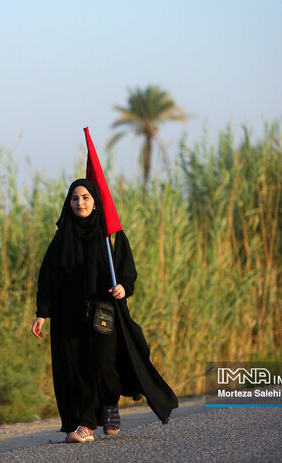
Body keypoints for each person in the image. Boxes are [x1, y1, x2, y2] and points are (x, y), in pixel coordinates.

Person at [31, 178, 178, 443]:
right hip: (69, 314)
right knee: (77, 368)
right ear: (69, 202)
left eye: (86, 197)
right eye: (75, 199)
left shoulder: (108, 233)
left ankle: (110, 404)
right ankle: (84, 425)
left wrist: (124, 286)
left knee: (104, 364)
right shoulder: (62, 235)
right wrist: (42, 312)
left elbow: (126, 267)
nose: (80, 203)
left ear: (95, 201)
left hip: (104, 312)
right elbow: (48, 276)